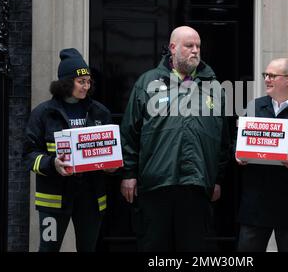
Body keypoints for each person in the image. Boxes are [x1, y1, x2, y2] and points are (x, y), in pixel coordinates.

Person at [120, 26, 230, 252]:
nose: (195, 51)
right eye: (189, 46)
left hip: (197, 185)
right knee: (153, 248)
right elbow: (130, 131)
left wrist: (217, 178)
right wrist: (128, 174)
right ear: (172, 48)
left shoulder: (214, 87)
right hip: (156, 184)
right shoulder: (147, 83)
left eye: (198, 46)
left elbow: (222, 138)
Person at [23, 48, 116, 251]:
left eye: (89, 81)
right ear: (66, 83)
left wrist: (112, 166)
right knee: (48, 249)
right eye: (81, 81)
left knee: (88, 249)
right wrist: (52, 163)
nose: (86, 86)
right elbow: (28, 155)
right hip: (54, 200)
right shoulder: (43, 114)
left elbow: (111, 151)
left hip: (90, 199)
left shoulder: (100, 112)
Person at [236, 58, 288, 252]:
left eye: (272, 76)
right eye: (265, 75)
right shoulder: (254, 107)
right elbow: (238, 140)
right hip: (255, 202)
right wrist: (238, 154)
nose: (266, 79)